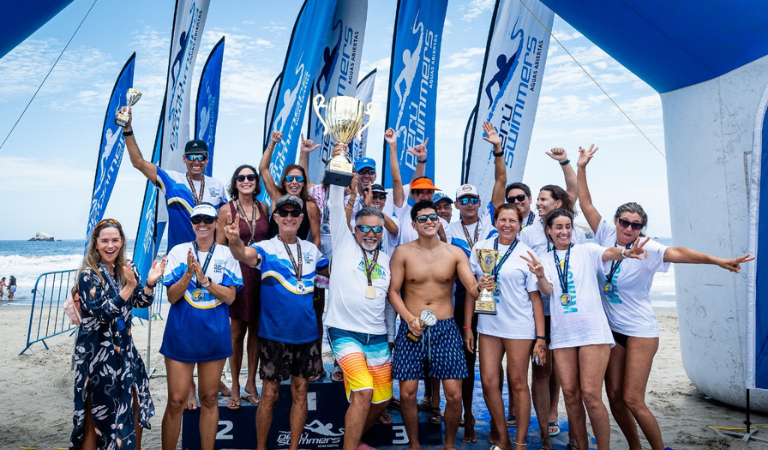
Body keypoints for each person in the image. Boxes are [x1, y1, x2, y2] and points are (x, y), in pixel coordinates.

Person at [577, 145, 754, 450]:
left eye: (636, 225)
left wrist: (717, 260)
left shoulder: (649, 247)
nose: (629, 229)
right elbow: (586, 203)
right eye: (625, 222)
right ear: (616, 221)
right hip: (612, 332)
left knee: (633, 399)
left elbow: (680, 252)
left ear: (641, 228)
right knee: (615, 398)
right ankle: (635, 447)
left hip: (641, 332)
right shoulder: (604, 235)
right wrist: (580, 167)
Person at [522, 208, 648, 450]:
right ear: (549, 230)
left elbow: (610, 252)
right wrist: (539, 275)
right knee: (570, 395)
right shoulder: (544, 260)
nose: (564, 231)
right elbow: (548, 291)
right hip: (563, 335)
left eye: (568, 226)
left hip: (593, 332)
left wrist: (626, 252)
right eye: (558, 227)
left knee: (590, 394)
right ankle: (581, 447)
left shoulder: (587, 250)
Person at [225, 194, 329, 450]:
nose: (289, 217)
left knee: (301, 393)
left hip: (306, 336)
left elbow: (332, 272)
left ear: (301, 218)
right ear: (276, 217)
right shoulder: (266, 247)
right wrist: (234, 240)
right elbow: (242, 254)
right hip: (274, 336)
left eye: (295, 213)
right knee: (269, 395)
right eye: (284, 213)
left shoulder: (312, 250)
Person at [388, 200, 492, 450]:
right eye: (422, 218)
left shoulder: (455, 253)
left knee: (455, 395)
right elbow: (393, 292)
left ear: (440, 220)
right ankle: (414, 445)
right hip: (412, 327)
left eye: (433, 217)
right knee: (407, 394)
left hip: (446, 328)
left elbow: (472, 290)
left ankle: (449, 446)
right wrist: (408, 317)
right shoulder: (402, 252)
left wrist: (484, 286)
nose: (429, 221)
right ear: (414, 224)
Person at [70, 218, 166, 450]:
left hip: (125, 349)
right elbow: (103, 313)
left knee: (134, 404)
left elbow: (139, 301)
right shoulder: (88, 275)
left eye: (115, 240)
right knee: (95, 416)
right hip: (97, 353)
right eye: (104, 241)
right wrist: (129, 287)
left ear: (122, 242)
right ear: (96, 244)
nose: (109, 245)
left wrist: (150, 284)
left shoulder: (127, 269)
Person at [160, 203, 243, 450]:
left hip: (214, 336)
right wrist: (188, 275)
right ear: (192, 223)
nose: (203, 223)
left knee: (208, 399)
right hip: (181, 335)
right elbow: (172, 297)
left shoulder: (225, 254)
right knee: (176, 401)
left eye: (208, 218)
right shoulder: (178, 251)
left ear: (216, 222)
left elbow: (230, 297)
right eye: (198, 219)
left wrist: (205, 281)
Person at [464, 204, 546, 450]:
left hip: (519, 326)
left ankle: (520, 443)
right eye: (502, 219)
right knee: (489, 382)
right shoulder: (481, 248)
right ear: (495, 221)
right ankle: (504, 439)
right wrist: (468, 326)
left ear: (520, 224)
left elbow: (535, 298)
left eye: (513, 220)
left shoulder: (527, 253)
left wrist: (540, 337)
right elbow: (471, 292)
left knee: (518, 382)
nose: (507, 224)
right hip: (488, 324)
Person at [444, 121, 507, 442]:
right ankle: (468, 416)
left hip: (498, 300)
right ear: (456, 205)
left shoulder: (490, 220)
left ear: (480, 203)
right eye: (463, 200)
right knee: (466, 362)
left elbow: (501, 180)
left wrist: (497, 148)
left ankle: (498, 423)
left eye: (474, 199)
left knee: (498, 361)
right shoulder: (448, 230)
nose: (469, 204)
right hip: (461, 302)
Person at [325, 176, 393, 450]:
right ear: (354, 229)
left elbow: (389, 304)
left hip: (377, 337)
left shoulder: (387, 260)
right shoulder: (343, 243)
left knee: (382, 399)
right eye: (364, 228)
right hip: (344, 332)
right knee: (364, 391)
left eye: (376, 230)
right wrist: (338, 164)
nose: (370, 234)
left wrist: (389, 337)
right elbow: (333, 201)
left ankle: (351, 441)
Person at [518, 182, 585, 440]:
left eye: (544, 199)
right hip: (539, 310)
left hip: (566, 309)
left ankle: (554, 413)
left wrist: (567, 163)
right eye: (538, 200)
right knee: (541, 366)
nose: (538, 203)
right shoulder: (528, 233)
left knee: (561, 368)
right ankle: (544, 427)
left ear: (558, 203)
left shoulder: (573, 231)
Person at [119, 107, 228, 249]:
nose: (196, 161)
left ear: (207, 159)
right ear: (184, 159)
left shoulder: (217, 185)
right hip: (179, 255)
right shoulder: (171, 179)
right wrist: (127, 130)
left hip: (210, 254)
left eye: (200, 157)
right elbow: (138, 162)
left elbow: (226, 220)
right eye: (191, 157)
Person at [216, 165, 269, 410]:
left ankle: (250, 382)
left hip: (261, 275)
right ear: (235, 182)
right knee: (236, 334)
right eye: (241, 177)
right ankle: (235, 385)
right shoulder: (226, 210)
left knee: (256, 331)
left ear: (256, 182)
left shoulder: (264, 208)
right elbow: (218, 249)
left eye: (251, 177)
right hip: (237, 276)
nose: (246, 180)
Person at [260, 130, 321, 248]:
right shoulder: (277, 197)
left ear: (304, 183)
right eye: (289, 178)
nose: (294, 182)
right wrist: (272, 143)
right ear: (284, 182)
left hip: (297, 260)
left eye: (299, 179)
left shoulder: (310, 206)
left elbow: (316, 240)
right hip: (273, 258)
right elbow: (263, 168)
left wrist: (310, 263)